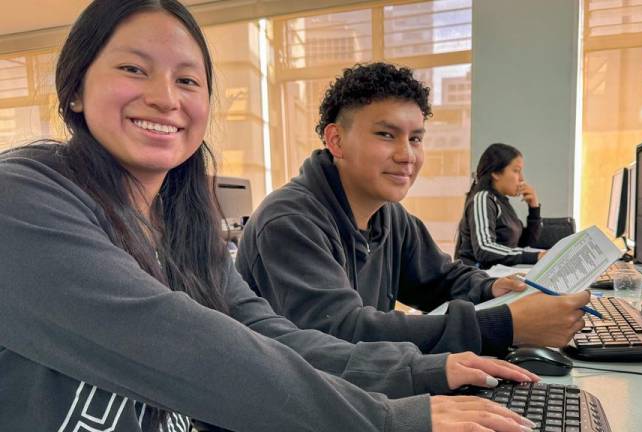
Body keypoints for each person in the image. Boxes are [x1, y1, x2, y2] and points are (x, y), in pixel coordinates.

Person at [0, 1, 542, 431]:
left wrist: (420, 372)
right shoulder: (21, 196)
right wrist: (386, 418)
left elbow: (266, 335)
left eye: (188, 80)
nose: (165, 98)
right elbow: (188, 347)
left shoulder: (182, 223)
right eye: (133, 69)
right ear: (74, 88)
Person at [235, 62, 589, 359]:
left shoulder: (389, 214)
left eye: (416, 138)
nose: (407, 155)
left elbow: (439, 280)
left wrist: (492, 288)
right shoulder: (289, 222)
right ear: (336, 140)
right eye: (386, 135)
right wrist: (505, 326)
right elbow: (342, 334)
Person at [455, 143, 544, 269]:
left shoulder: (502, 202)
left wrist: (534, 208)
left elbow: (525, 244)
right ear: (496, 173)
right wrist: (536, 256)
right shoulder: (483, 198)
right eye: (516, 171)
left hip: (497, 276)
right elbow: (484, 249)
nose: (522, 178)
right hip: (478, 279)